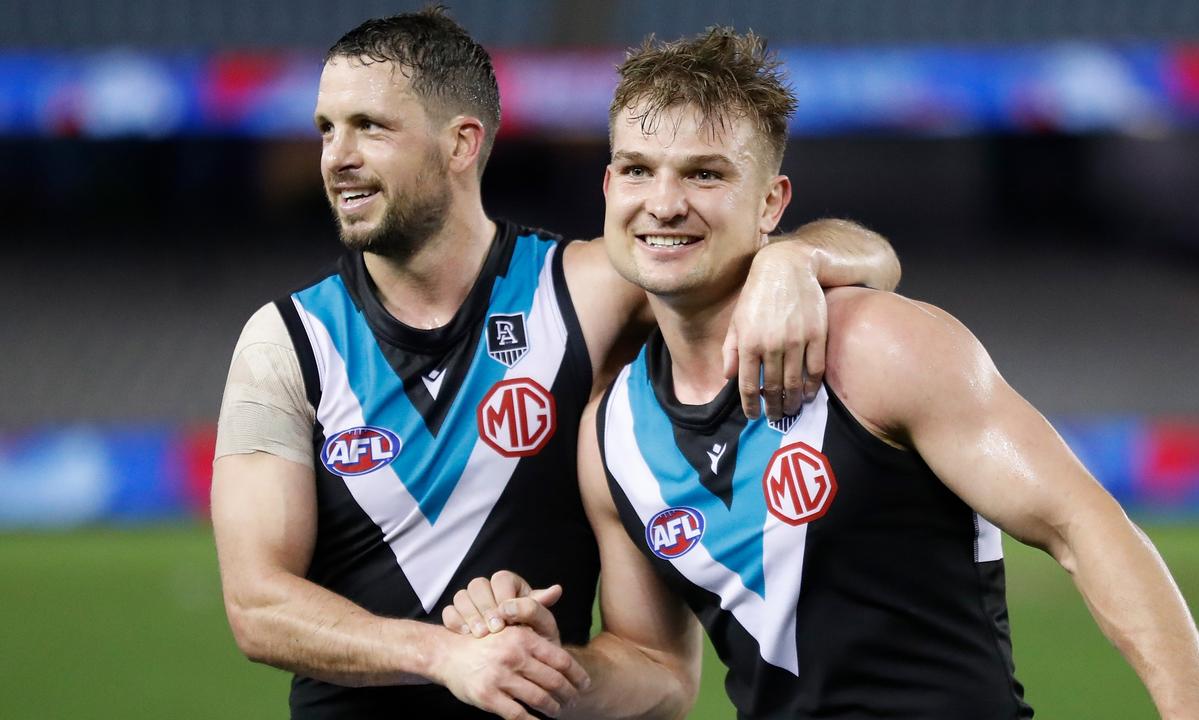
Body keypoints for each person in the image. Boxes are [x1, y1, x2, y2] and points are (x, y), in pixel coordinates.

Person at [443, 27, 1199, 720]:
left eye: (707, 175)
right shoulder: (608, 435)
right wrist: (552, 667)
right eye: (639, 171)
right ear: (609, 189)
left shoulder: (876, 348)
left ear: (770, 202)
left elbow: (1082, 528)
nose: (666, 202)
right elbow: (655, 669)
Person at [209, 8, 901, 720]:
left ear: (461, 144)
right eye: (328, 128)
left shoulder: (587, 290)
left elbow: (875, 261)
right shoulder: (285, 343)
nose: (335, 156)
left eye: (370, 127)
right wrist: (444, 656)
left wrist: (795, 258)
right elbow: (257, 605)